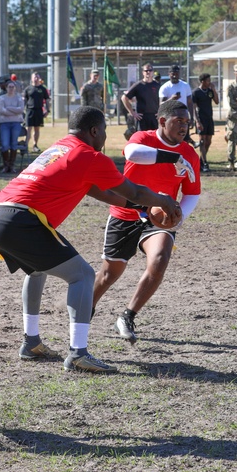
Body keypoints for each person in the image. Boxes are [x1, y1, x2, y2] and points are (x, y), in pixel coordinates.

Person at [0, 106, 181, 373]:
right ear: (94, 130)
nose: (106, 138)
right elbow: (133, 189)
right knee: (83, 276)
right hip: (21, 220)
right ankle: (78, 354)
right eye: (105, 132)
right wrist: (162, 200)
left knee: (37, 269)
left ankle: (31, 343)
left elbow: (99, 192)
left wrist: (142, 209)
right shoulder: (90, 156)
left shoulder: (60, 147)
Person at [92, 100, 201, 345]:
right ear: (162, 121)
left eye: (187, 122)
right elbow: (133, 155)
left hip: (159, 218)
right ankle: (85, 309)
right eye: (179, 121)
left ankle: (127, 316)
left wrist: (178, 217)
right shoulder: (142, 137)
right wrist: (172, 157)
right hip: (125, 213)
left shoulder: (190, 154)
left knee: (160, 258)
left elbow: (193, 192)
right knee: (109, 274)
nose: (184, 126)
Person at [191, 73, 218, 172]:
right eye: (208, 81)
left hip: (209, 119)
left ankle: (201, 161)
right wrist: (197, 121)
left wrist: (214, 90)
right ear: (202, 81)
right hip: (201, 119)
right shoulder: (196, 92)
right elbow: (193, 108)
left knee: (208, 141)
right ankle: (205, 162)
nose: (209, 82)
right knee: (202, 141)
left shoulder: (210, 91)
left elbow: (216, 101)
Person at [122, 63, 161, 132]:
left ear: (153, 72)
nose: (148, 72)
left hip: (154, 117)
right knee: (142, 139)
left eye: (150, 70)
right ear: (143, 72)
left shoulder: (157, 85)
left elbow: (163, 100)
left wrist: (161, 112)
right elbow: (124, 98)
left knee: (154, 139)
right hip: (141, 118)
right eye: (146, 71)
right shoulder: (138, 85)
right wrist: (132, 113)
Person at [0, 78, 24, 174]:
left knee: (14, 144)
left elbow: (21, 110)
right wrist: (14, 110)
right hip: (4, 124)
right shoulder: (1, 98)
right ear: (6, 88)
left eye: (13, 87)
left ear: (15, 88)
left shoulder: (19, 98)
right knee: (5, 144)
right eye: (9, 87)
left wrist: (8, 108)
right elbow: (1, 111)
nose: (11, 88)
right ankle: (6, 165)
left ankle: (11, 166)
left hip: (16, 123)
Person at [23, 72, 49, 152]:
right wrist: (23, 110)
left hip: (38, 111)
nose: (36, 78)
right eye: (34, 77)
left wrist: (47, 110)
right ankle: (25, 146)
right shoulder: (28, 89)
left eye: (37, 77)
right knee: (28, 129)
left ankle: (35, 145)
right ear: (32, 78)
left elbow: (47, 100)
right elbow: (24, 100)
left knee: (37, 129)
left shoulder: (43, 89)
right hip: (30, 110)